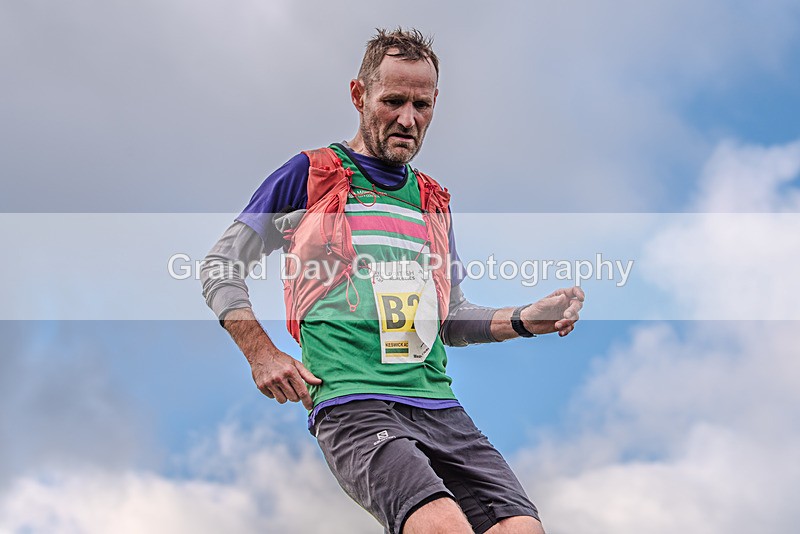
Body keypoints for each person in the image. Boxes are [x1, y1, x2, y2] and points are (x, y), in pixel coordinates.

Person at [201, 28, 584, 534]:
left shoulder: (431, 200)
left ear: (435, 103)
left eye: (421, 105)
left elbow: (449, 319)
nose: (408, 119)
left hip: (437, 405)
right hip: (354, 403)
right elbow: (220, 265)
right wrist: (261, 353)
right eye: (393, 101)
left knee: (521, 529)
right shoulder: (310, 174)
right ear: (359, 95)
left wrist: (524, 319)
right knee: (442, 527)